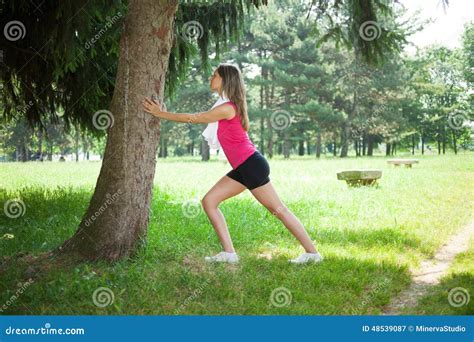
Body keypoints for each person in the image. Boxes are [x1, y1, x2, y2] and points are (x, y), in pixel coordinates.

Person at [142, 63, 323, 265]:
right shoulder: (225, 105)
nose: (211, 78)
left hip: (251, 165)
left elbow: (195, 118)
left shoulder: (227, 108)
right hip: (244, 167)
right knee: (209, 201)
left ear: (225, 80)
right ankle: (229, 254)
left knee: (279, 210)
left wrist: (161, 114)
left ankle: (312, 253)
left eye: (215, 75)